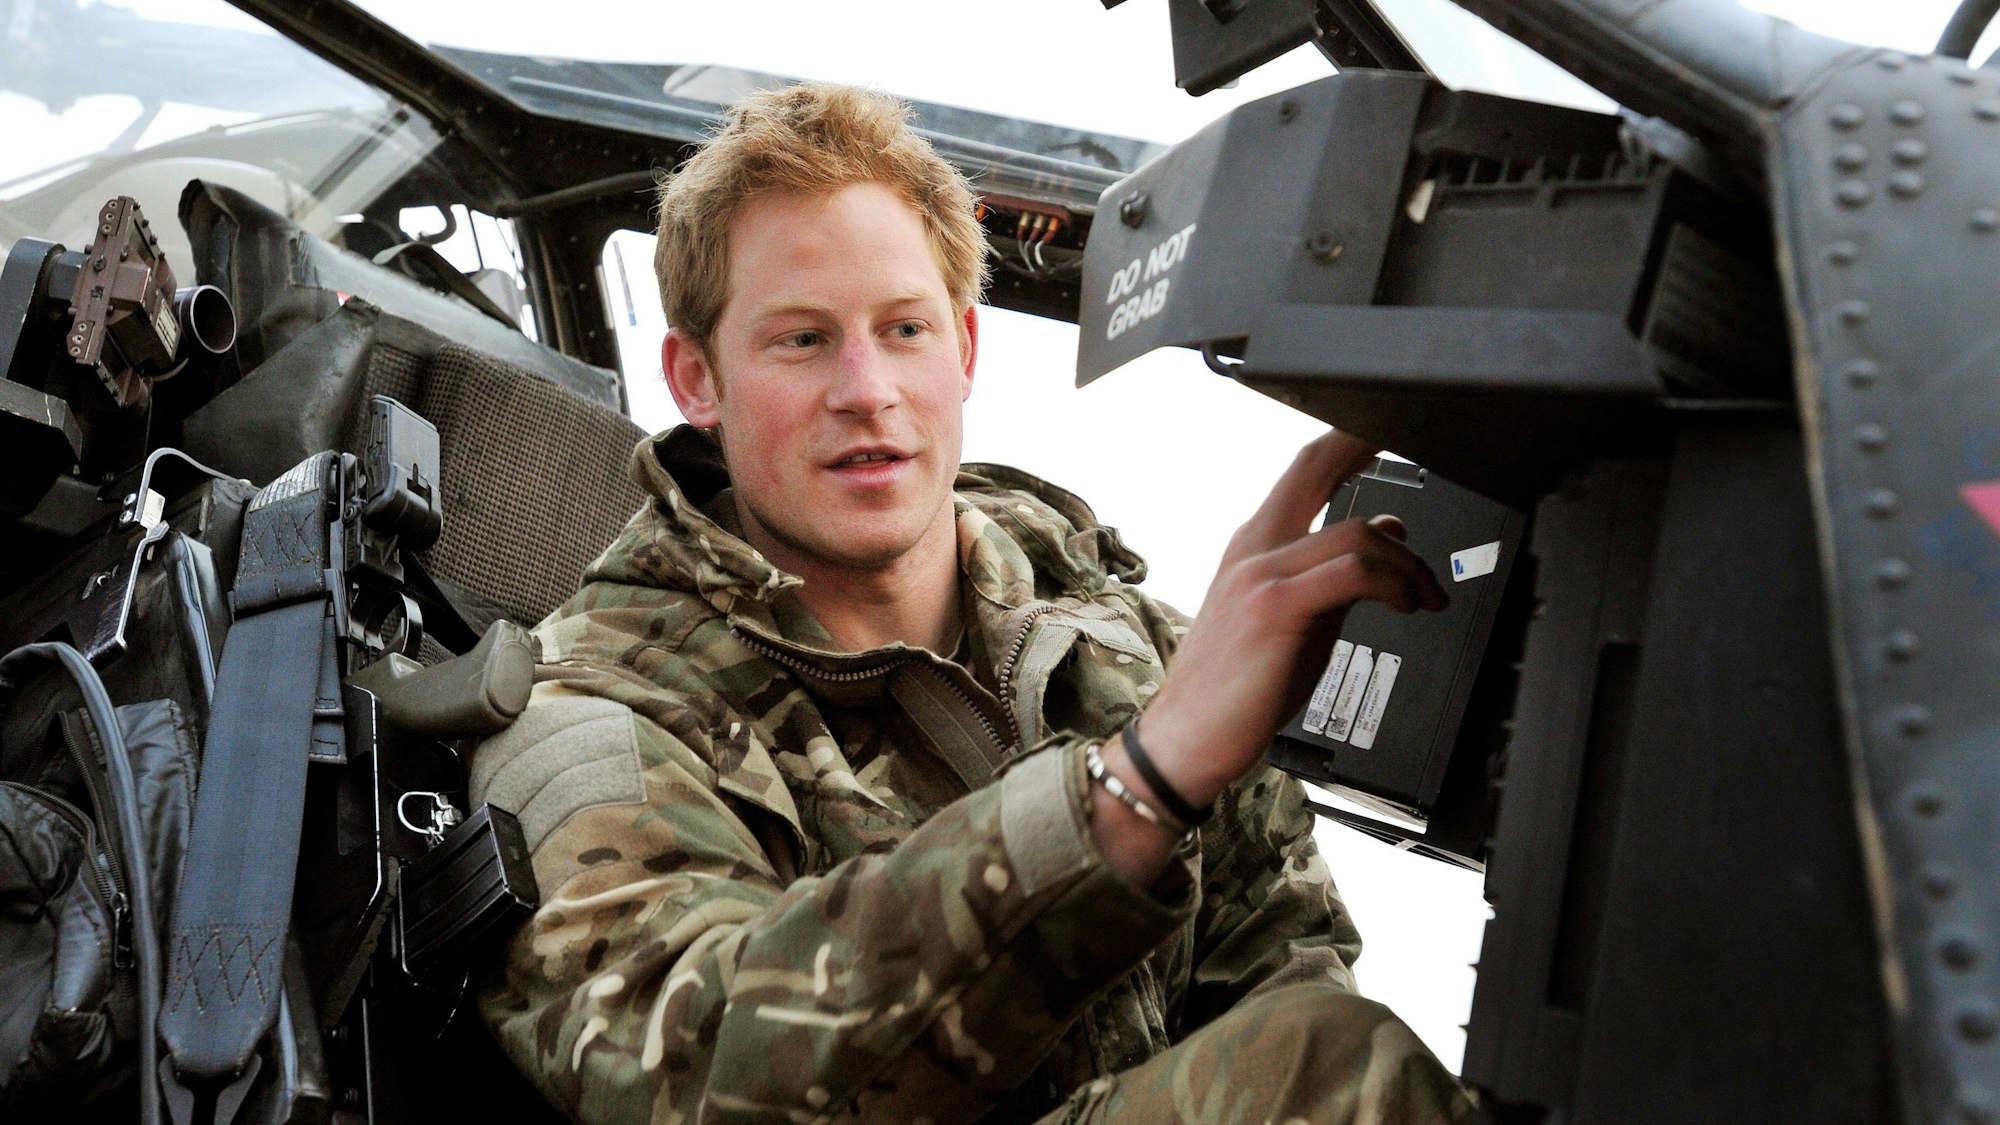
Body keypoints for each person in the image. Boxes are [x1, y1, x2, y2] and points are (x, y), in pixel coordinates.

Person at [470, 82, 1471, 1124]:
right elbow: (696, 1078)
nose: (866, 389)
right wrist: (1129, 795)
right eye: (801, 340)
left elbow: (1280, 965)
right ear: (696, 380)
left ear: (965, 351)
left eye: (902, 329)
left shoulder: (1120, 637)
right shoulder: (589, 720)